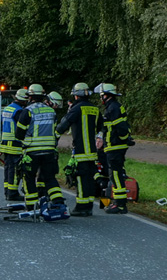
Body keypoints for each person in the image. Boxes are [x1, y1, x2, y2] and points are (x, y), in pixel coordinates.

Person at [12, 84, 66, 212]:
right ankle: (58, 201)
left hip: (32, 151)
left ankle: (32, 206)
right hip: (49, 151)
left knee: (29, 177)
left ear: (29, 97)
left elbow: (19, 134)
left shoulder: (27, 111)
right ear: (43, 97)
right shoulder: (51, 111)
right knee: (49, 177)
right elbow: (55, 130)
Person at [55, 82, 102, 216]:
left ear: (76, 96)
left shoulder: (76, 109)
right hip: (92, 151)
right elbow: (101, 128)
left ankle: (81, 207)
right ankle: (89, 206)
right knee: (89, 177)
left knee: (80, 177)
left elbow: (64, 123)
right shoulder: (95, 109)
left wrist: (55, 137)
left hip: (81, 150)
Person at [98, 83, 133, 214]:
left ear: (106, 95)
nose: (101, 99)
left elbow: (121, 127)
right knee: (114, 174)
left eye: (102, 96)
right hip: (112, 146)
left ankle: (120, 205)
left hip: (115, 146)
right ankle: (118, 203)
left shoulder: (113, 108)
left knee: (116, 174)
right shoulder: (112, 107)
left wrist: (124, 139)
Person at [0, 88, 28, 201]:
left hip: (5, 143)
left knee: (8, 168)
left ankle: (7, 191)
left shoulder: (7, 108)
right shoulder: (19, 111)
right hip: (15, 143)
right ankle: (12, 193)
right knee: (15, 170)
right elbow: (22, 128)